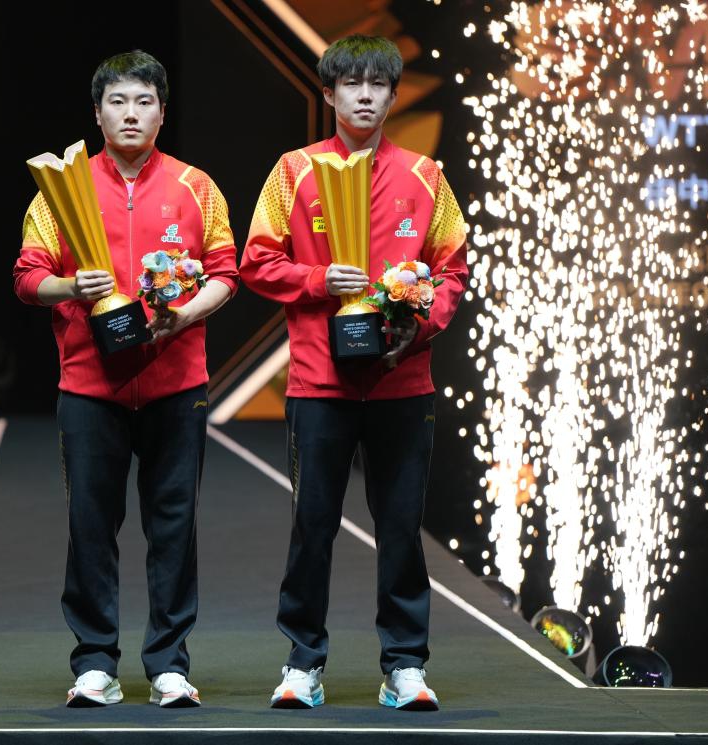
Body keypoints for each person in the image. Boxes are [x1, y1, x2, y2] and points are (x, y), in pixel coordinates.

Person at [239, 34, 468, 710]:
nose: (364, 94)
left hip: (403, 382)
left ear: (394, 96)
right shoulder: (293, 172)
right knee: (313, 526)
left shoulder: (427, 177)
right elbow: (255, 260)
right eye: (351, 83)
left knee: (401, 528)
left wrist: (417, 321)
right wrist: (316, 278)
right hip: (319, 383)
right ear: (330, 92)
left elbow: (452, 269)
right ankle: (303, 662)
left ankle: (404, 666)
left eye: (377, 84)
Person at [13, 50, 238, 708]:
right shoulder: (62, 190)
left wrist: (186, 314)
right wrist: (68, 285)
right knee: (91, 526)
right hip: (90, 388)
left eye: (144, 102)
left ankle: (168, 663)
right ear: (97, 113)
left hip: (176, 385)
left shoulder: (197, 188)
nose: (131, 113)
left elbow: (227, 270)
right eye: (118, 102)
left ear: (162, 113)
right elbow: (27, 277)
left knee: (173, 526)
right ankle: (94, 663)